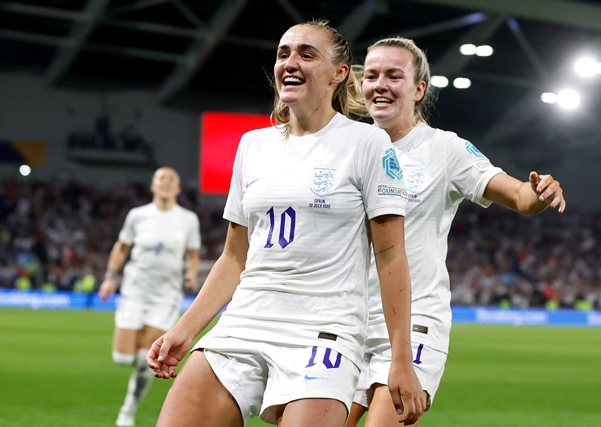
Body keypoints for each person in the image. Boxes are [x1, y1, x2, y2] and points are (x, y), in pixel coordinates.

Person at [146, 19, 426, 427]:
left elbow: (389, 256)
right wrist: (185, 330)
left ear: (339, 74)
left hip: (324, 331)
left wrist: (398, 361)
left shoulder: (367, 144)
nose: (290, 62)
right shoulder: (252, 145)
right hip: (244, 322)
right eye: (283, 53)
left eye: (306, 54)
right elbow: (233, 257)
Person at [345, 37, 567, 427]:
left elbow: (518, 195)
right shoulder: (349, 148)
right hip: (346, 321)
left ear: (418, 89)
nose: (380, 84)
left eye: (394, 76)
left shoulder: (444, 149)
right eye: (373, 75)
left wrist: (538, 193)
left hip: (413, 323)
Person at [98, 166, 201, 427]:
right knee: (122, 358)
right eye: (160, 179)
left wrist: (191, 274)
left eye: (171, 180)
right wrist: (110, 277)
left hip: (165, 296)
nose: (166, 183)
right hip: (134, 291)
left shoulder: (188, 219)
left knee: (148, 359)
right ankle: (133, 374)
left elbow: (192, 254)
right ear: (153, 186)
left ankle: (128, 408)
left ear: (177, 188)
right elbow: (121, 247)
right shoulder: (138, 216)